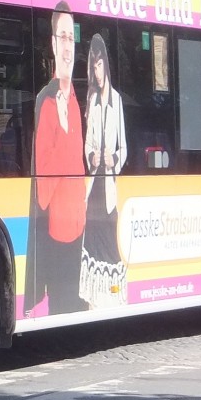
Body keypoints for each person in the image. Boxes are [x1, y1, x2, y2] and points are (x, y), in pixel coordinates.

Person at [24, 1, 87, 317]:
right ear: (52, 43)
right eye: (61, 37)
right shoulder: (46, 103)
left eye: (71, 38)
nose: (67, 47)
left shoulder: (76, 99)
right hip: (58, 237)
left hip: (80, 231)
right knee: (61, 310)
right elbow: (42, 192)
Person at [79, 33, 128, 309]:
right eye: (93, 67)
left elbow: (125, 149)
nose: (97, 72)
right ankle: (95, 302)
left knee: (109, 245)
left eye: (99, 65)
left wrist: (114, 159)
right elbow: (87, 144)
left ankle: (112, 298)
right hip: (94, 186)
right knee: (93, 244)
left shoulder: (117, 101)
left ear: (106, 65)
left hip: (108, 187)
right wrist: (92, 156)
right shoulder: (93, 102)